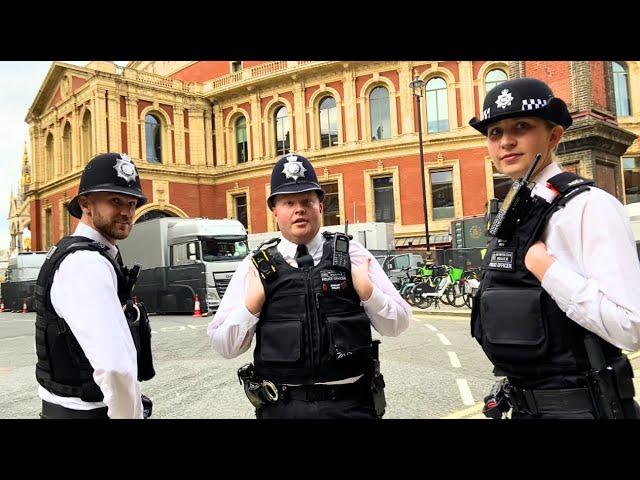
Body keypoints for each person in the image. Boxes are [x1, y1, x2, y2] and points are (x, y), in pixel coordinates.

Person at [468, 77, 640, 419]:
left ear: (554, 135)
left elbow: (631, 326)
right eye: (495, 132)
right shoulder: (513, 213)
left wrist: (548, 270)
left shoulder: (589, 207)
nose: (506, 141)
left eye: (521, 126)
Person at [208, 153, 412, 419]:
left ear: (320, 206)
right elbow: (224, 346)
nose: (299, 209)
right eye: (289, 202)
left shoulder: (353, 254)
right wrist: (251, 306)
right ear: (275, 210)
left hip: (351, 407)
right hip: (283, 408)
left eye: (307, 200)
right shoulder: (255, 266)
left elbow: (398, 324)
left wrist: (369, 293)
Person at [34, 153, 155, 419]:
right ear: (85, 203)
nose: (126, 211)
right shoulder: (86, 263)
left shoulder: (92, 254)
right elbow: (114, 366)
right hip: (86, 412)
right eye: (115, 200)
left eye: (132, 202)